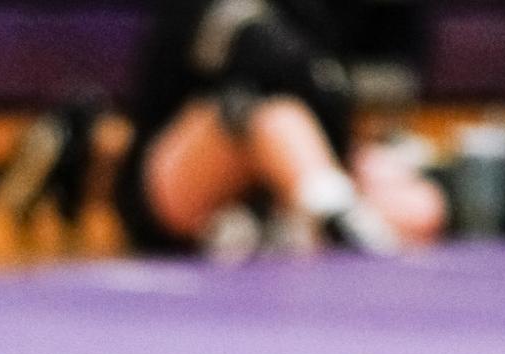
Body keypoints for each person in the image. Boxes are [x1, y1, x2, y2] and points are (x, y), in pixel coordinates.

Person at [112, 0, 442, 256]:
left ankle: (303, 220)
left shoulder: (331, 14)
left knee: (421, 207)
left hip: (307, 167)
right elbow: (265, 65)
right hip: (175, 185)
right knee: (277, 118)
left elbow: (388, 79)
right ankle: (331, 219)